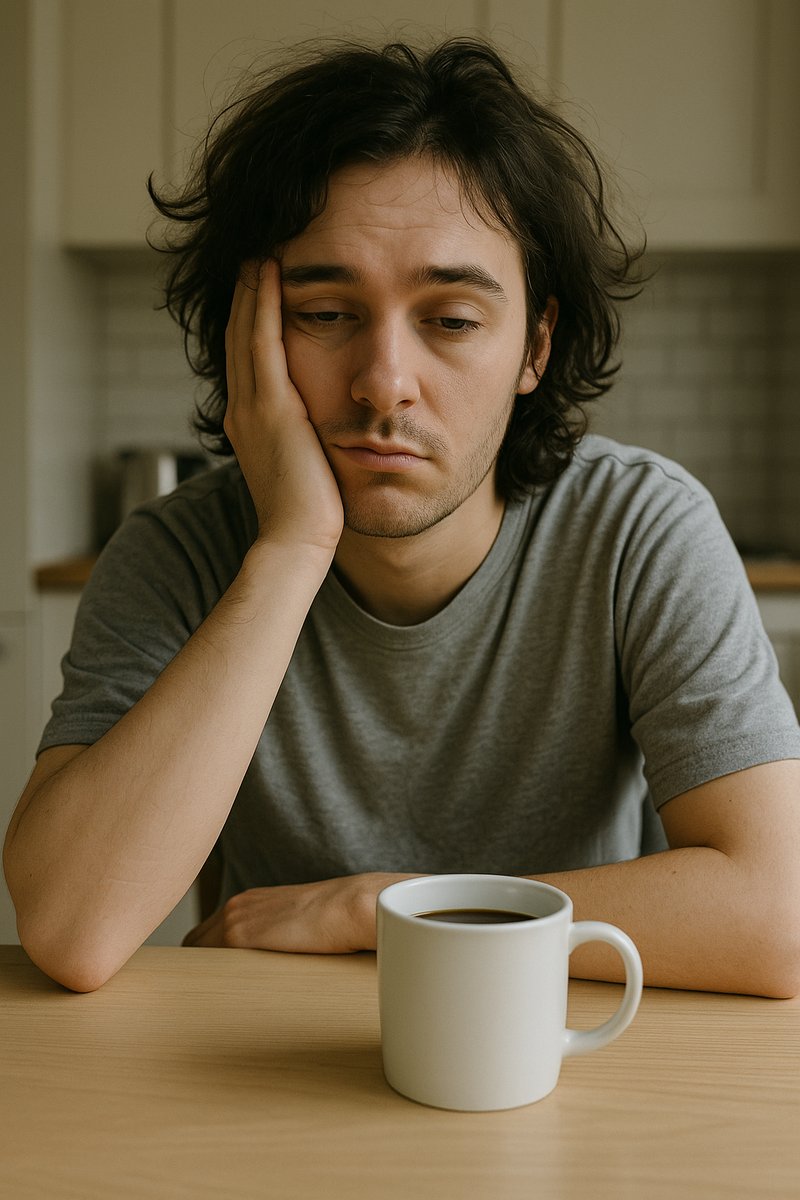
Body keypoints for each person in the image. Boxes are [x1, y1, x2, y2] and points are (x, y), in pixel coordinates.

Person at [4, 38, 800, 996]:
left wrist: (381, 907)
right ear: (247, 333)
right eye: (326, 314)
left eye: (452, 320)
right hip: (262, 1064)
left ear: (534, 345)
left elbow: (776, 916)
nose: (384, 384)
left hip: (556, 1053)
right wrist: (292, 547)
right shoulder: (177, 554)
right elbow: (67, 928)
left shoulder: (639, 530)